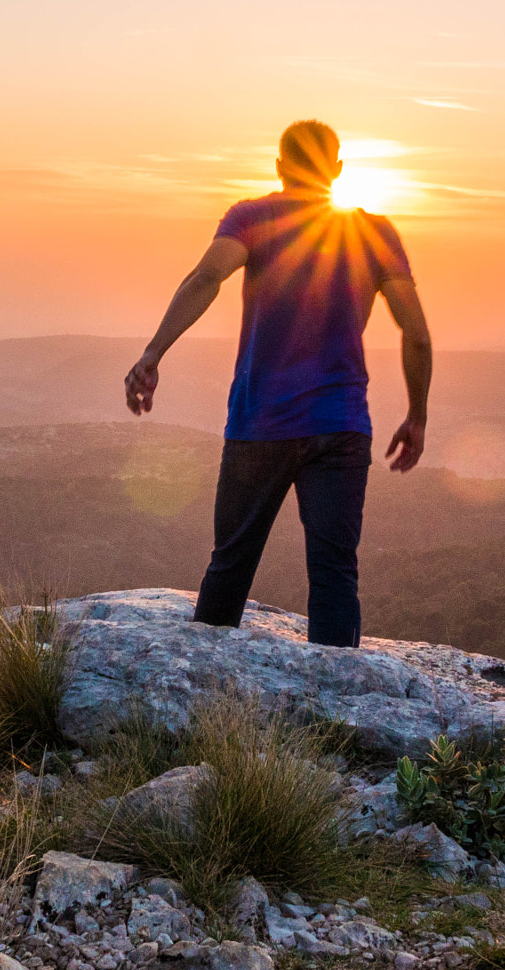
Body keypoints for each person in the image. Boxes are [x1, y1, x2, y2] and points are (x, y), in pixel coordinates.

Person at [123, 119, 432, 647]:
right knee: (335, 575)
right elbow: (417, 334)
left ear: (279, 166)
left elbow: (205, 280)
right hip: (341, 428)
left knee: (230, 565)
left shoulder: (251, 218)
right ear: (336, 170)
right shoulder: (376, 233)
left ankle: (203, 708)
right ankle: (338, 721)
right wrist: (417, 415)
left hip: (258, 423)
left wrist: (154, 353)